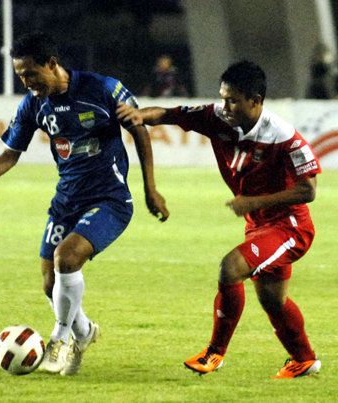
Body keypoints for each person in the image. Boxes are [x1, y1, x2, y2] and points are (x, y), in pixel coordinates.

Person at [0, 32, 169, 376]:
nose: (26, 83)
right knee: (49, 284)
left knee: (66, 260)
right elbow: (11, 153)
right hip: (66, 201)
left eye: (30, 74)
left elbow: (140, 130)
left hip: (109, 199)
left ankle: (60, 338)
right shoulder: (33, 104)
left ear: (51, 64)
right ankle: (84, 332)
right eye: (20, 76)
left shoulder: (102, 89)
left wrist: (150, 189)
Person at [117, 60, 321, 378]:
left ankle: (214, 353)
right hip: (259, 225)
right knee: (272, 300)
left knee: (230, 268)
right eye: (223, 97)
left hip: (290, 227)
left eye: (233, 100)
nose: (224, 107)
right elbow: (170, 114)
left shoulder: (284, 137)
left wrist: (255, 201)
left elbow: (308, 191)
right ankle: (304, 359)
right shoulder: (216, 117)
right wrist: (140, 115)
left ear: (255, 101)